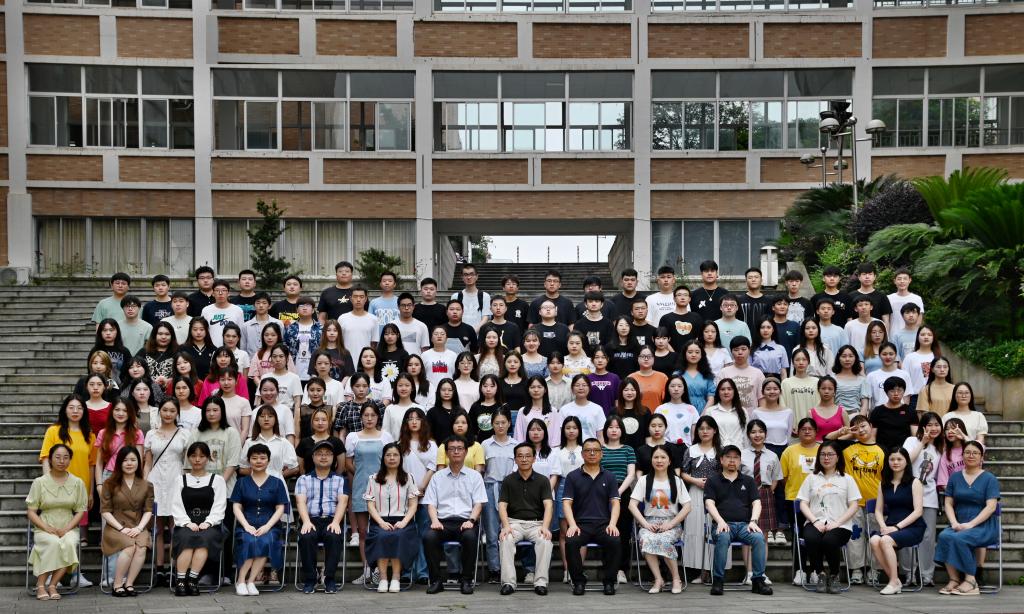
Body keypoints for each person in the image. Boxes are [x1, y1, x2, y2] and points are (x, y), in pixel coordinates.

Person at [422, 434, 488, 595]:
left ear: (466, 452)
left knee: (470, 537)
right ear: (446, 453)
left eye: (459, 448)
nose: (456, 452)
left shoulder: (475, 476)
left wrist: (471, 520)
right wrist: (435, 521)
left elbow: (479, 503)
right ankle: (436, 581)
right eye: (452, 449)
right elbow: (431, 503)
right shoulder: (437, 477)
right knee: (429, 537)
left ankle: (466, 580)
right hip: (442, 522)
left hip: (466, 521)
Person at [704, 444, 773, 596]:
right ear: (721, 460)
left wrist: (753, 521)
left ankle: (758, 580)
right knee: (723, 537)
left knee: (758, 538)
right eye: (728, 457)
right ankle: (718, 580)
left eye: (736, 458)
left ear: (740, 461)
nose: (732, 460)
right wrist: (720, 521)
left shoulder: (748, 481)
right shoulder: (713, 481)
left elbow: (757, 503)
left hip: (744, 526)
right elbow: (709, 503)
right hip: (723, 525)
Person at [935, 440, 1000, 596]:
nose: (971, 455)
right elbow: (948, 503)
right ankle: (954, 579)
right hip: (959, 523)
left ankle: (971, 581)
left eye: (975, 453)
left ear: (981, 457)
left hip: (984, 525)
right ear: (962, 455)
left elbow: (991, 507)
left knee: (960, 538)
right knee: (944, 536)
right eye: (967, 452)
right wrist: (954, 522)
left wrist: (971, 524)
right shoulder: (955, 477)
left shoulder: (989, 478)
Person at [796, 441, 861, 594]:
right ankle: (821, 574)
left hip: (841, 524)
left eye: (830, 454)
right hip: (815, 521)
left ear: (838, 457)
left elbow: (854, 505)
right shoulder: (811, 478)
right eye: (823, 454)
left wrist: (837, 523)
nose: (826, 458)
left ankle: (834, 575)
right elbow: (803, 503)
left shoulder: (847, 479)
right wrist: (815, 521)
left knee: (829, 540)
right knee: (811, 538)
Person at [27, 444, 89, 601]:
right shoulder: (39, 482)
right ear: (50, 459)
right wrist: (46, 527)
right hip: (45, 526)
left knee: (68, 544)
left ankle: (52, 585)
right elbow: (31, 512)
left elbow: (80, 511)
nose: (62, 461)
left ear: (70, 460)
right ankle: (41, 585)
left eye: (66, 457)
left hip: (68, 526)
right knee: (53, 543)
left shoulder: (77, 482)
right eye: (58, 457)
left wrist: (67, 528)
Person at [562, 438, 622, 596]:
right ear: (582, 454)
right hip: (581, 525)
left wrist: (612, 524)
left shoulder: (609, 476)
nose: (592, 453)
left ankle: (609, 582)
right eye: (588, 450)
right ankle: (578, 581)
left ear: (602, 454)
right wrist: (572, 525)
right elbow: (567, 503)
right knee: (571, 542)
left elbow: (615, 503)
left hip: (604, 524)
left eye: (596, 450)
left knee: (615, 540)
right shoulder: (572, 476)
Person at [629, 444, 691, 594]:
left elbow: (687, 507)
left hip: (671, 523)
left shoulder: (677, 481)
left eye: (663, 457)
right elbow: (632, 505)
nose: (659, 460)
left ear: (669, 461)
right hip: (649, 523)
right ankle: (658, 579)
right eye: (656, 457)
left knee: (663, 540)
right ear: (651, 460)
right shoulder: (644, 480)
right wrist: (644, 524)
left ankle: (676, 578)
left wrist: (670, 524)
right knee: (646, 539)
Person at [231, 444, 289, 596]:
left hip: (270, 525)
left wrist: (268, 526)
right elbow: (236, 506)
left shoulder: (277, 482)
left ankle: (251, 581)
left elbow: (280, 508)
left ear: (268, 461)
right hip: (246, 524)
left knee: (265, 541)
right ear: (249, 461)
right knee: (250, 540)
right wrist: (246, 525)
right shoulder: (241, 482)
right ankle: (241, 581)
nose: (258, 461)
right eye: (254, 458)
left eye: (262, 458)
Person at [497, 442, 555, 596]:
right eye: (520, 456)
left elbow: (548, 505)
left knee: (545, 541)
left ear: (534, 459)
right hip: (514, 523)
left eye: (528, 456)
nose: (524, 459)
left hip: (537, 524)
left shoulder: (543, 480)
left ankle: (541, 582)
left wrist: (545, 527)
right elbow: (502, 505)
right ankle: (508, 582)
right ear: (515, 459)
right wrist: (506, 526)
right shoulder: (508, 480)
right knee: (505, 539)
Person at [170, 442, 227, 597]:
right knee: (186, 538)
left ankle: (192, 580)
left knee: (204, 539)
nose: (197, 459)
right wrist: (187, 523)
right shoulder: (180, 480)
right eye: (193, 456)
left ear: (208, 458)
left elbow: (219, 505)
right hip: (186, 522)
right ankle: (180, 581)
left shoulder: (217, 480)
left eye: (202, 456)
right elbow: (176, 505)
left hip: (209, 523)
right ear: (188, 458)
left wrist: (208, 522)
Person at [295, 440, 350, 594]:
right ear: (313, 457)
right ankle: (310, 579)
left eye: (327, 454)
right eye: (319, 454)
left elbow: (343, 502)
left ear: (333, 458)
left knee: (333, 536)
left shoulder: (340, 479)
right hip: (310, 519)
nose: (323, 457)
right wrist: (306, 521)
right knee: (306, 537)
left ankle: (329, 578)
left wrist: (336, 522)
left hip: (332, 519)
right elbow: (300, 502)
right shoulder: (303, 479)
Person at [364, 442, 420, 593]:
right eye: (388, 455)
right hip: (379, 521)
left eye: (395, 455)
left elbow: (413, 505)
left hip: (403, 521)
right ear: (383, 458)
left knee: (399, 536)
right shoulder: (373, 478)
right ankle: (383, 578)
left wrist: (404, 522)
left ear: (400, 458)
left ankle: (396, 578)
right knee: (381, 536)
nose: (392, 458)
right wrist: (381, 522)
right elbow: (370, 505)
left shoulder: (409, 478)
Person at [869, 447, 926, 595]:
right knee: (874, 540)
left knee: (885, 540)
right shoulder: (883, 483)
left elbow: (918, 511)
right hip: (890, 526)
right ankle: (894, 580)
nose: (895, 462)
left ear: (906, 462)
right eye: (892, 459)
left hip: (913, 527)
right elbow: (878, 510)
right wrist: (883, 526)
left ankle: (893, 582)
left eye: (899, 459)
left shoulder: (915, 482)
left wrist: (897, 527)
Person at [100, 446, 154, 597]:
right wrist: (121, 529)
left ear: (139, 462)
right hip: (116, 527)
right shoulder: (109, 483)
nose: (129, 463)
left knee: (141, 546)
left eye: (133, 460)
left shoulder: (146, 485)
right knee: (130, 546)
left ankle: (129, 583)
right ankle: (117, 585)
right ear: (119, 463)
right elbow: (105, 511)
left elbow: (148, 510)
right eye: (125, 460)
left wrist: (139, 528)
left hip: (138, 525)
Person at [843, 415, 885, 584]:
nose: (861, 430)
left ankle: (875, 569)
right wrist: (848, 433)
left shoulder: (882, 450)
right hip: (854, 501)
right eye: (856, 428)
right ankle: (856, 570)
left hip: (876, 501)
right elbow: (827, 441)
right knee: (855, 536)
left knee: (875, 535)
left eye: (863, 426)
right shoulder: (847, 450)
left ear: (871, 426)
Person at [902, 411, 942, 587]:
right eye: (929, 425)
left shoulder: (940, 448)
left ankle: (927, 575)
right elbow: (905, 461)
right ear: (922, 426)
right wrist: (922, 443)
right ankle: (908, 573)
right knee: (905, 534)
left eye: (937, 425)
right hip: (908, 494)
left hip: (929, 496)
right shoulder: (912, 441)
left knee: (928, 537)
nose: (933, 428)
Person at [781, 418, 821, 585]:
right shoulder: (789, 451)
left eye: (810, 429)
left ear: (816, 431)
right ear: (798, 432)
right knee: (799, 536)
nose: (807, 431)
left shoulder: (822, 450)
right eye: (803, 428)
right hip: (795, 500)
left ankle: (817, 570)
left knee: (817, 536)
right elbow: (784, 477)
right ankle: (800, 570)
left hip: (819, 500)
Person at [481, 408, 518, 581]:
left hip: (511, 489)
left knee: (510, 530)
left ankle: (509, 568)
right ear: (492, 425)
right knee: (491, 531)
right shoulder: (485, 444)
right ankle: (494, 569)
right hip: (490, 488)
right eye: (497, 423)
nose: (500, 426)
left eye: (503, 422)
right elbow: (481, 470)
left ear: (509, 423)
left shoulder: (516, 444)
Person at [600, 415, 636, 583]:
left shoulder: (628, 449)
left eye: (617, 427)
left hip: (623, 491)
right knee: (605, 531)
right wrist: (608, 492)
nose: (614, 430)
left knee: (623, 532)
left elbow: (631, 474)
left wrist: (618, 491)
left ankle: (621, 569)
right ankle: (609, 567)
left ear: (622, 430)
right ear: (605, 430)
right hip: (602, 492)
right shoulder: (600, 449)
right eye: (610, 427)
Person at [742, 420, 783, 553]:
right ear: (748, 435)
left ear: (765, 434)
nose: (757, 435)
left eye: (760, 431)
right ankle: (748, 567)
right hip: (745, 495)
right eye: (753, 432)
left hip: (765, 494)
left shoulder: (773, 456)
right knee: (746, 534)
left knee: (763, 535)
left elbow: (775, 478)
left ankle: (760, 567)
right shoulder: (741, 454)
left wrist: (768, 492)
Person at [870, 376, 918, 452]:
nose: (896, 394)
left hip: (904, 452)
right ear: (886, 392)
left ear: (904, 391)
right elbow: (872, 437)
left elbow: (914, 436)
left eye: (899, 390)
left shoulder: (910, 411)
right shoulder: (877, 411)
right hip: (882, 451)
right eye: (892, 391)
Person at [718, 336, 764, 412]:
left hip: (752, 417)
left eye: (743, 349)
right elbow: (719, 397)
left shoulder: (758, 373)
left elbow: (762, 399)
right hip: (729, 415)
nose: (740, 352)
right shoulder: (723, 373)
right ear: (731, 352)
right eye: (736, 350)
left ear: (749, 350)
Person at [283, 298, 323, 386]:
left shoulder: (320, 328)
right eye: (301, 306)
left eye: (308, 306)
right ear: (297, 310)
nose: (304, 308)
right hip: (294, 372)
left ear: (313, 310)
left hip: (315, 373)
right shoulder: (290, 328)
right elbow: (285, 348)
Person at [295, 406, 344, 475]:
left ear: (329, 422)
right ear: (312, 422)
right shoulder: (304, 442)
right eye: (316, 420)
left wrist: (333, 479)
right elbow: (301, 468)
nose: (320, 423)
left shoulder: (337, 442)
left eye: (324, 420)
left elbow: (341, 468)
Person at [849, 262, 893, 330]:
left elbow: (886, 320)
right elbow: (849, 318)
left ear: (874, 277)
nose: (867, 277)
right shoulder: (851, 296)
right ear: (859, 277)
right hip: (856, 333)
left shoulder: (882, 296)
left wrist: (885, 335)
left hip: (876, 334)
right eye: (864, 274)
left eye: (870, 274)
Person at [201, 280, 244, 348]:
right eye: (217, 290)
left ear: (228, 293)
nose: (220, 293)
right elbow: (203, 331)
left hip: (231, 350)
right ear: (213, 293)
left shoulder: (238, 310)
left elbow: (241, 333)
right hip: (211, 349)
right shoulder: (206, 310)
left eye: (224, 290)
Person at [782, 349, 820, 425]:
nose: (801, 362)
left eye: (804, 359)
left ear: (808, 362)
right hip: (792, 427)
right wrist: (789, 425)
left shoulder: (816, 382)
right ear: (793, 362)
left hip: (813, 426)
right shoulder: (786, 383)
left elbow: (819, 406)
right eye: (797, 360)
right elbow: (783, 407)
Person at [705, 378, 746, 449]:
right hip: (717, 451)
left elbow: (746, 435)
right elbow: (707, 434)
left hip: (739, 451)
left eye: (729, 389)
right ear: (718, 392)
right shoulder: (710, 411)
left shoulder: (743, 411)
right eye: (722, 389)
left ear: (734, 391)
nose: (726, 392)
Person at [339, 286, 377, 356]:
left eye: (361, 297)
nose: (358, 299)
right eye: (355, 296)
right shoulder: (342, 318)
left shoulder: (373, 319)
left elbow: (374, 343)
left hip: (365, 360)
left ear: (366, 299)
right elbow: (338, 341)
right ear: (351, 299)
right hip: (346, 359)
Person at [241, 294, 283, 358]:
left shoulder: (278, 324)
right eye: (258, 303)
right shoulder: (246, 326)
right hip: (251, 362)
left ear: (269, 306)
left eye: (264, 303)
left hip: (273, 361)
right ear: (254, 306)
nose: (261, 305)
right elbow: (243, 348)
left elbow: (281, 344)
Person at [587, 348, 621, 416]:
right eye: (597, 357)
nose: (600, 360)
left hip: (610, 417)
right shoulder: (587, 378)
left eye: (603, 357)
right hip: (591, 416)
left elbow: (617, 400)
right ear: (592, 360)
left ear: (607, 359)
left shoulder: (614, 378)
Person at [738, 268, 771, 333]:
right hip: (743, 337)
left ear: (761, 280)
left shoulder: (768, 301)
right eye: (750, 278)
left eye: (756, 277)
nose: (753, 280)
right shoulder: (739, 301)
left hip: (762, 336)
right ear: (746, 281)